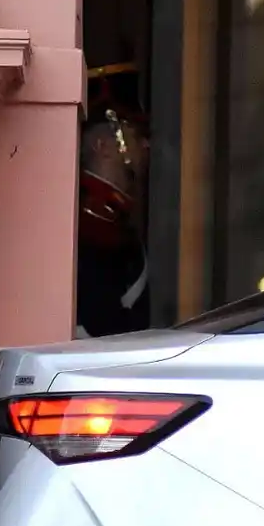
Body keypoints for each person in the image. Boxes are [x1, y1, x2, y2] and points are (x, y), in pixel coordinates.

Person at [76, 62, 151, 338]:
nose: (146, 145)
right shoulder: (90, 223)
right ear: (103, 146)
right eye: (136, 134)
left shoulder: (114, 218)